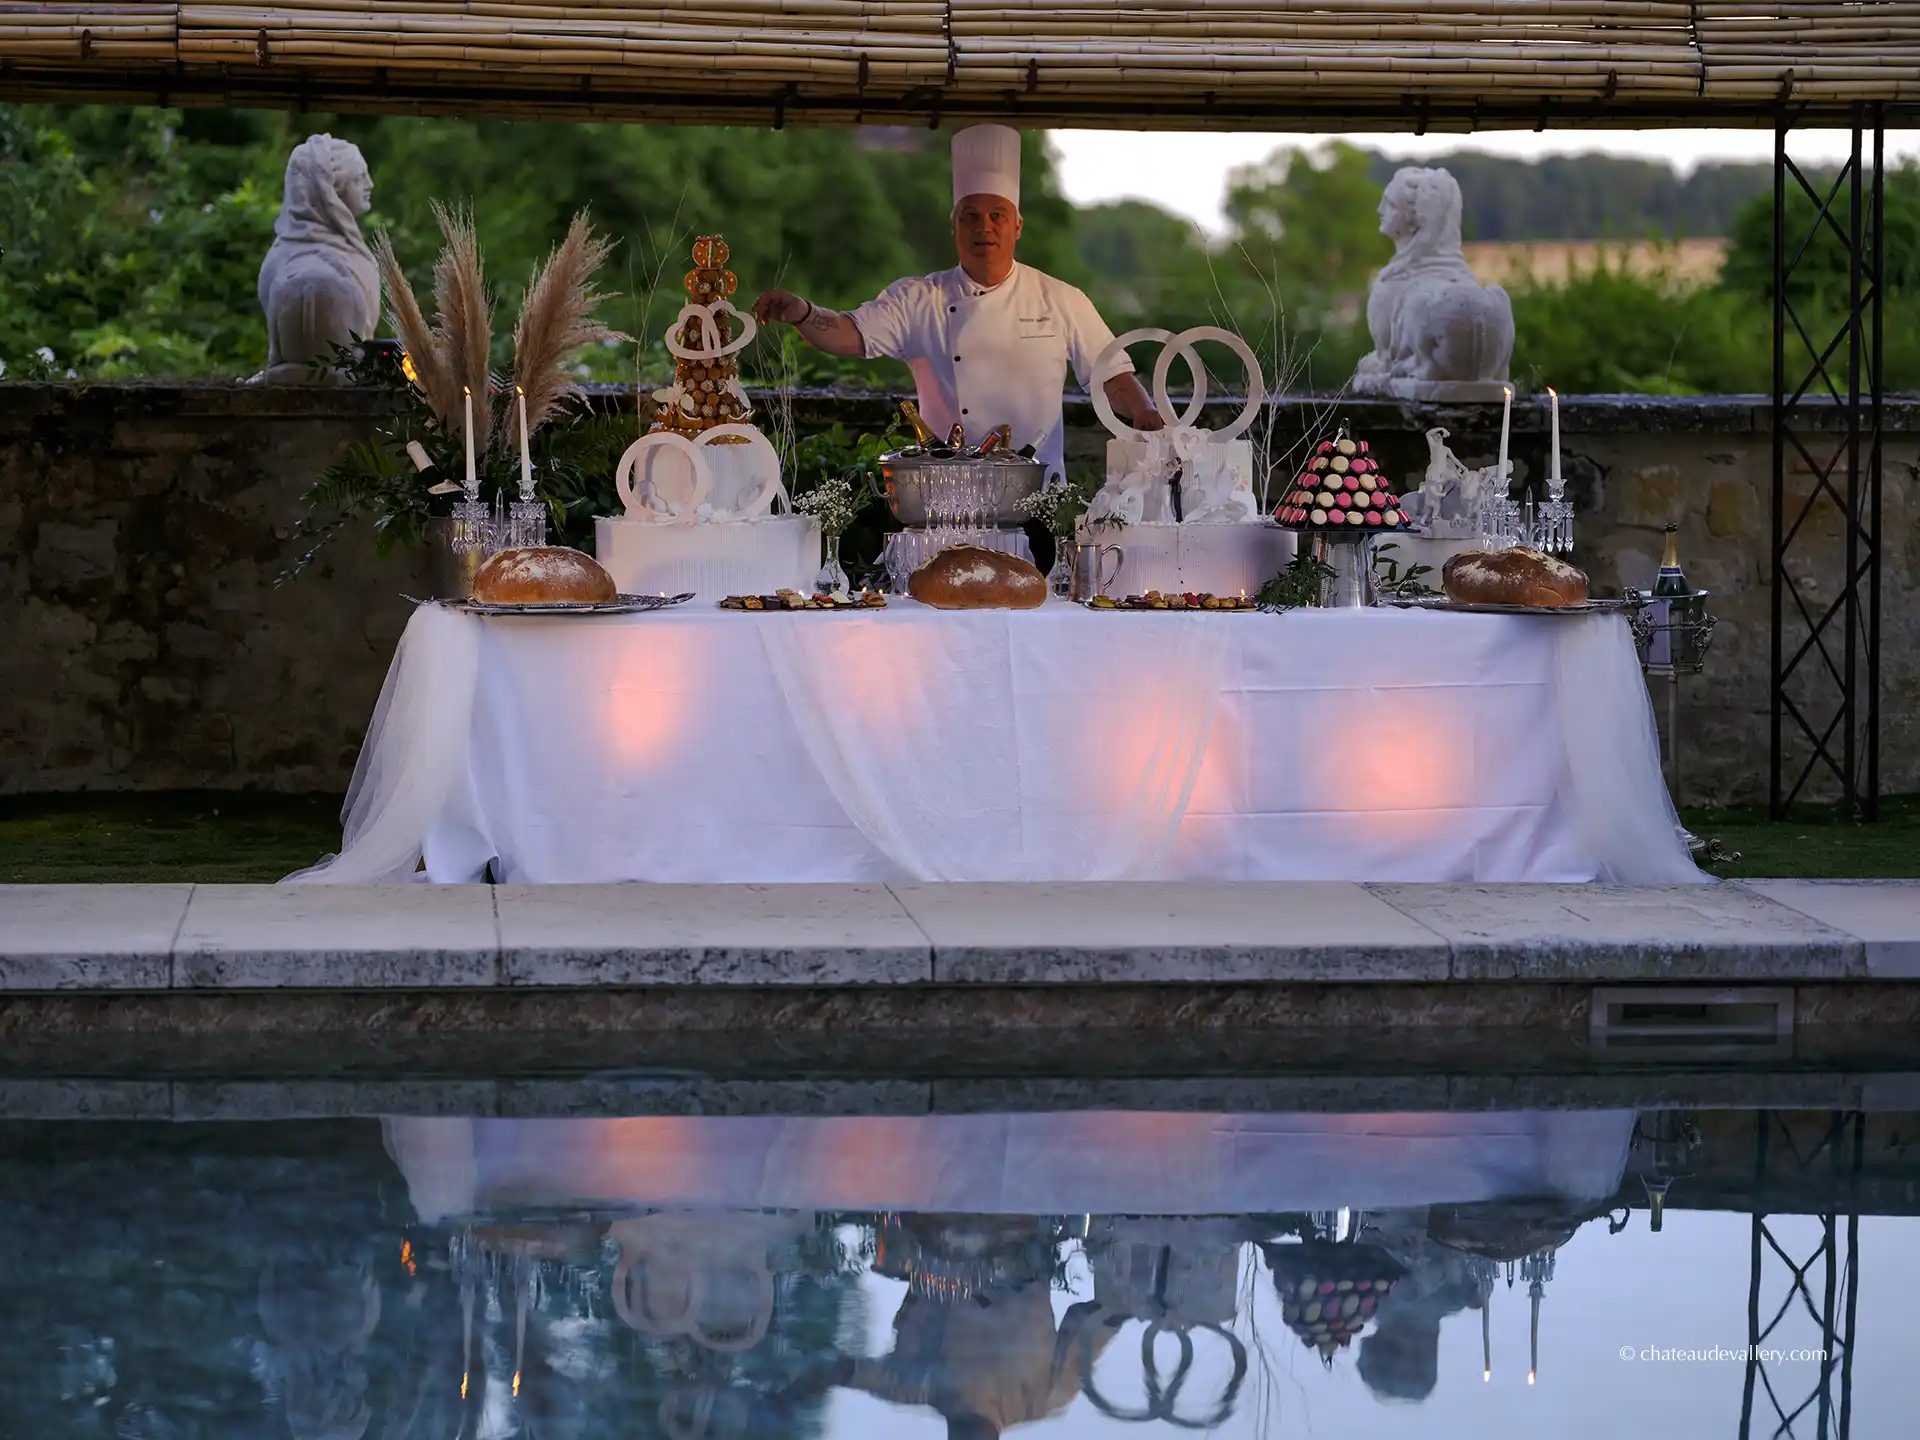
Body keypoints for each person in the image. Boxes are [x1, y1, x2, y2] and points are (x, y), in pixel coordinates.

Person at [752, 124, 1162, 482]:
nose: (985, 226)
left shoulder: (1060, 298)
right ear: (955, 226)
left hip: (1036, 493)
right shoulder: (918, 299)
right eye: (970, 215)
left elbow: (1110, 371)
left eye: (997, 215)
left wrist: (1144, 411)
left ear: (1017, 225)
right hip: (946, 491)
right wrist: (804, 312)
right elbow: (849, 333)